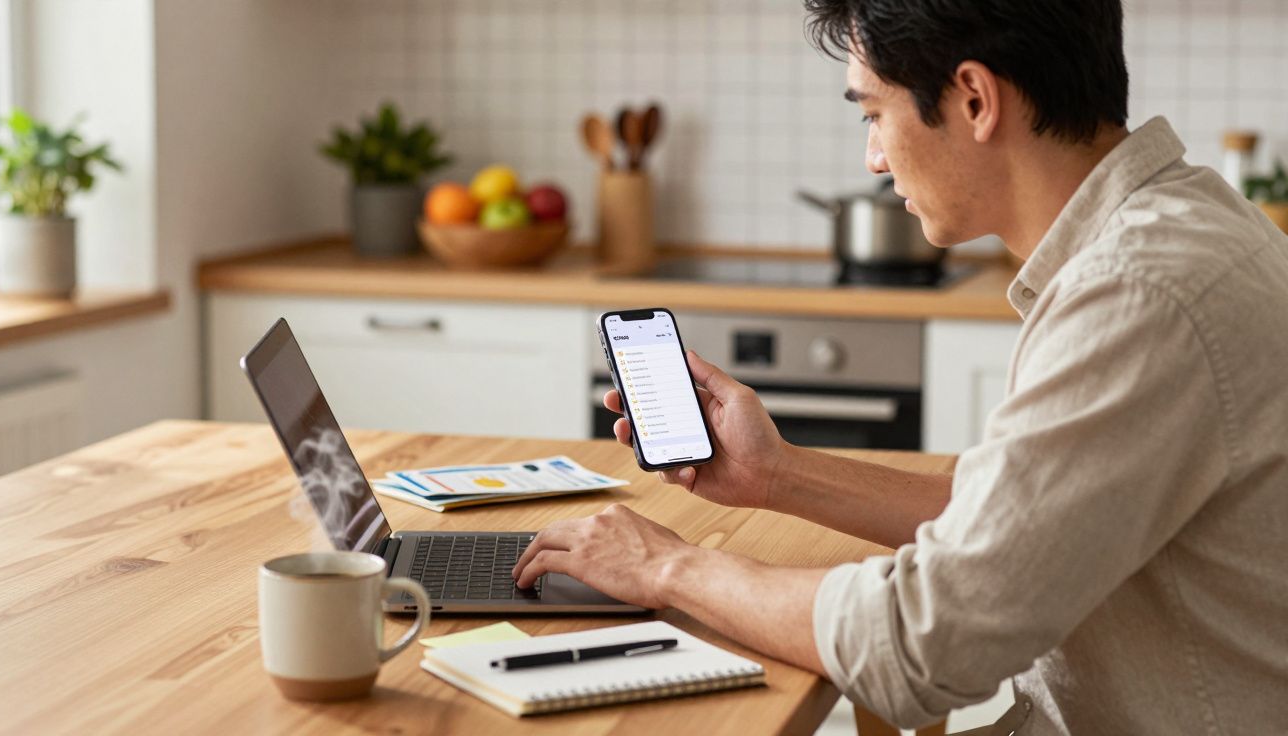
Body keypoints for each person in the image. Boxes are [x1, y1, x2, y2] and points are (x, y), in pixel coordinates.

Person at [513, 0, 1288, 732]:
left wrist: (668, 568)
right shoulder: (1185, 224)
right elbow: (1026, 520)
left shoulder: (1138, 293)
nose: (874, 158)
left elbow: (925, 644)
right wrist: (777, 475)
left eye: (873, 112)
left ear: (975, 100)